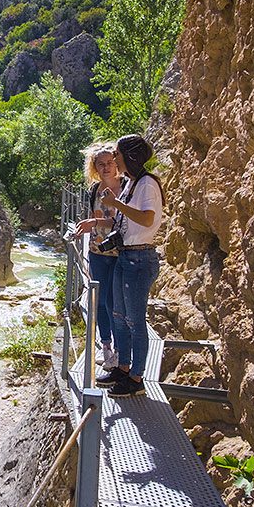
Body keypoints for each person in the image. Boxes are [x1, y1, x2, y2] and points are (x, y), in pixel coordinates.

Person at [77, 134, 164, 397]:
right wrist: (99, 223)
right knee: (119, 317)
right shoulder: (133, 184)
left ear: (129, 156)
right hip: (127, 256)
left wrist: (115, 204)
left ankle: (136, 378)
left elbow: (147, 220)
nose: (113, 160)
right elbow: (122, 223)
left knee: (135, 322)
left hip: (140, 258)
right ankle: (123, 368)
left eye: (117, 155)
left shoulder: (147, 184)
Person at [73, 143, 127, 370]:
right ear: (94, 167)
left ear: (117, 163)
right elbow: (93, 215)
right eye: (101, 164)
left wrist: (94, 222)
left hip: (120, 253)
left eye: (109, 163)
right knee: (101, 301)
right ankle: (106, 348)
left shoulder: (127, 187)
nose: (106, 168)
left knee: (115, 303)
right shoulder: (94, 190)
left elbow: (126, 220)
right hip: (97, 252)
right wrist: (88, 226)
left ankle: (120, 351)